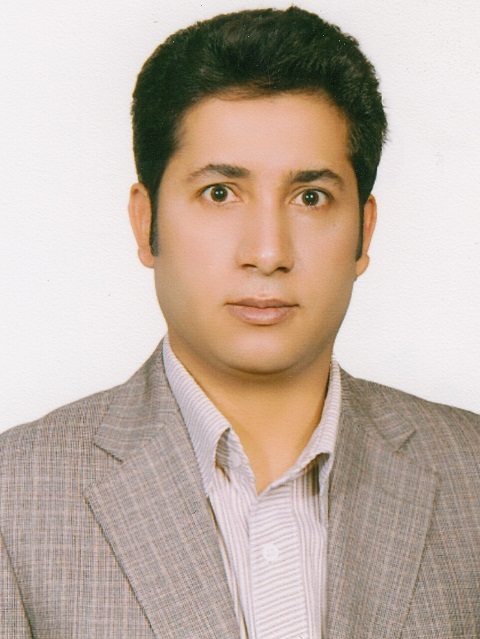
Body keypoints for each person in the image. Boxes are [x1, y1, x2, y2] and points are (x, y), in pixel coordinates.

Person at [1, 6, 478, 638]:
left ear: (364, 232)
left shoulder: (471, 473)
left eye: (311, 197)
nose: (268, 252)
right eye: (220, 193)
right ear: (146, 222)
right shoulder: (16, 496)